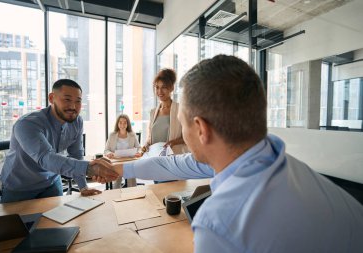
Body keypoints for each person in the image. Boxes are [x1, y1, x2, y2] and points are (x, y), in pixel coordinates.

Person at [95, 55, 363, 252]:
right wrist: (122, 169)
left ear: (200, 129)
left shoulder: (219, 225)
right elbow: (174, 164)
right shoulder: (279, 164)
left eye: (184, 122)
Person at [0, 79, 118, 203]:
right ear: (51, 98)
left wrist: (83, 186)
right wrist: (91, 169)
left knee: (57, 220)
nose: (73, 107)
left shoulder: (77, 122)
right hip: (19, 186)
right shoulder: (27, 124)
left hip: (51, 181)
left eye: (78, 101)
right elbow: (45, 158)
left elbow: (76, 155)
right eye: (67, 99)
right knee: (18, 222)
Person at [142, 68, 187, 155]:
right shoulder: (153, 112)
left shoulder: (180, 109)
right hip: (154, 158)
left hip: (173, 158)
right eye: (157, 87)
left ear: (171, 88)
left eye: (164, 87)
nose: (159, 91)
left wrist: (174, 142)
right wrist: (146, 145)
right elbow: (150, 138)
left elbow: (188, 137)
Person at [104, 114, 141, 188]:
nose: (122, 125)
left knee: (131, 177)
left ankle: (132, 193)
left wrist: (138, 152)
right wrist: (109, 153)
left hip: (129, 161)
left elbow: (139, 148)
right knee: (117, 179)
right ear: (117, 124)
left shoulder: (132, 135)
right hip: (116, 162)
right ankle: (116, 194)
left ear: (128, 124)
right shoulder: (112, 135)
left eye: (125, 122)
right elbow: (106, 150)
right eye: (120, 122)